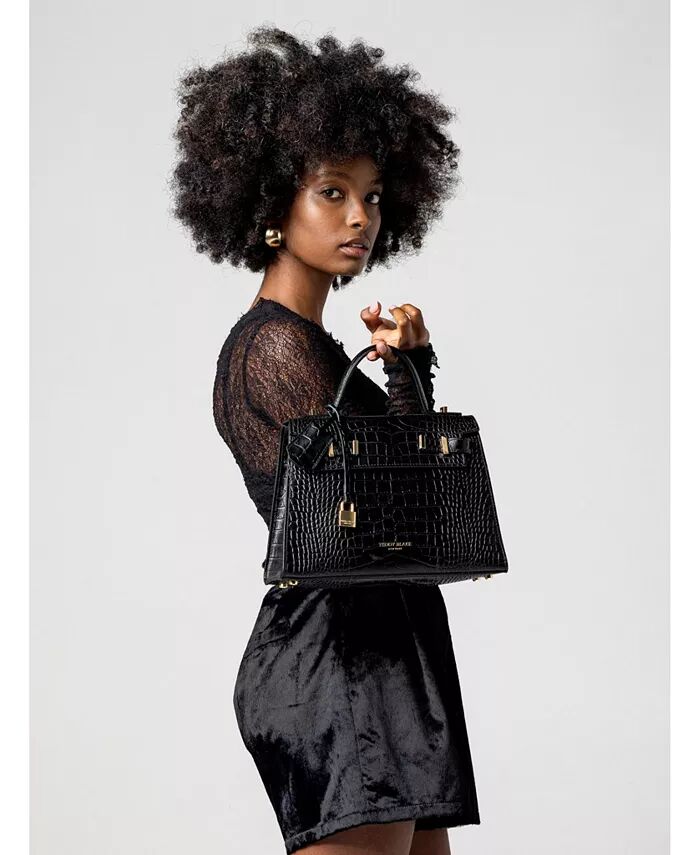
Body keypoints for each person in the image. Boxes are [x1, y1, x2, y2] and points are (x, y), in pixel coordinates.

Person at [170, 26, 480, 855]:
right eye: (332, 192)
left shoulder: (318, 350)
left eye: (372, 196)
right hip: (339, 663)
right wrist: (405, 381)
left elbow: (413, 508)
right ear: (273, 203)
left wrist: (407, 367)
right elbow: (393, 515)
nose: (359, 217)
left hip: (386, 654)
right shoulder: (274, 348)